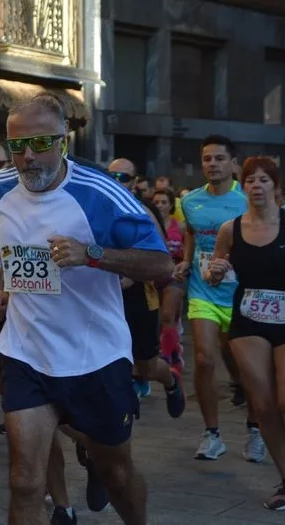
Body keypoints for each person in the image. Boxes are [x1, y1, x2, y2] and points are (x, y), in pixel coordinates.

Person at [0, 96, 173, 525]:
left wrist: (92, 254)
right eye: (17, 146)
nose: (28, 157)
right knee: (24, 481)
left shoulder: (101, 192)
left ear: (63, 140)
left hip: (94, 356)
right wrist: (0, 289)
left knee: (116, 474)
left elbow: (162, 265)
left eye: (40, 143)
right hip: (26, 352)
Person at [207, 156, 285, 510]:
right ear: (243, 187)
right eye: (250, 181)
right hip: (248, 318)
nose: (257, 186)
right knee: (264, 405)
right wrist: (215, 270)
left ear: (276, 186)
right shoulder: (230, 229)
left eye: (264, 180)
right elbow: (214, 272)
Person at [175, 135, 261, 461]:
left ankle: (255, 429)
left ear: (233, 164)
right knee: (204, 359)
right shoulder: (190, 201)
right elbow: (192, 233)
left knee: (246, 367)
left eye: (219, 158)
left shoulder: (247, 199)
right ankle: (212, 434)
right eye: (207, 159)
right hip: (204, 291)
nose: (212, 164)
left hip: (241, 294)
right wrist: (187, 260)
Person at [107, 159, 185, 415]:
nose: (117, 182)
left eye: (123, 178)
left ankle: (171, 381)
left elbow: (162, 260)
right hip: (107, 296)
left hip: (140, 296)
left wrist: (133, 274)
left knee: (146, 366)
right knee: (110, 358)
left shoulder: (143, 211)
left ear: (134, 183)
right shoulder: (97, 206)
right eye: (112, 176)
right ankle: (120, 410)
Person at [152, 187, 186, 373]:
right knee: (158, 320)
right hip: (154, 276)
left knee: (167, 315)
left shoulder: (180, 226)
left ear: (171, 204)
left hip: (175, 275)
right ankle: (172, 348)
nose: (160, 205)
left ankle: (169, 357)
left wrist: (183, 267)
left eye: (164, 202)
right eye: (156, 202)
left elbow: (189, 252)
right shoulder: (149, 224)